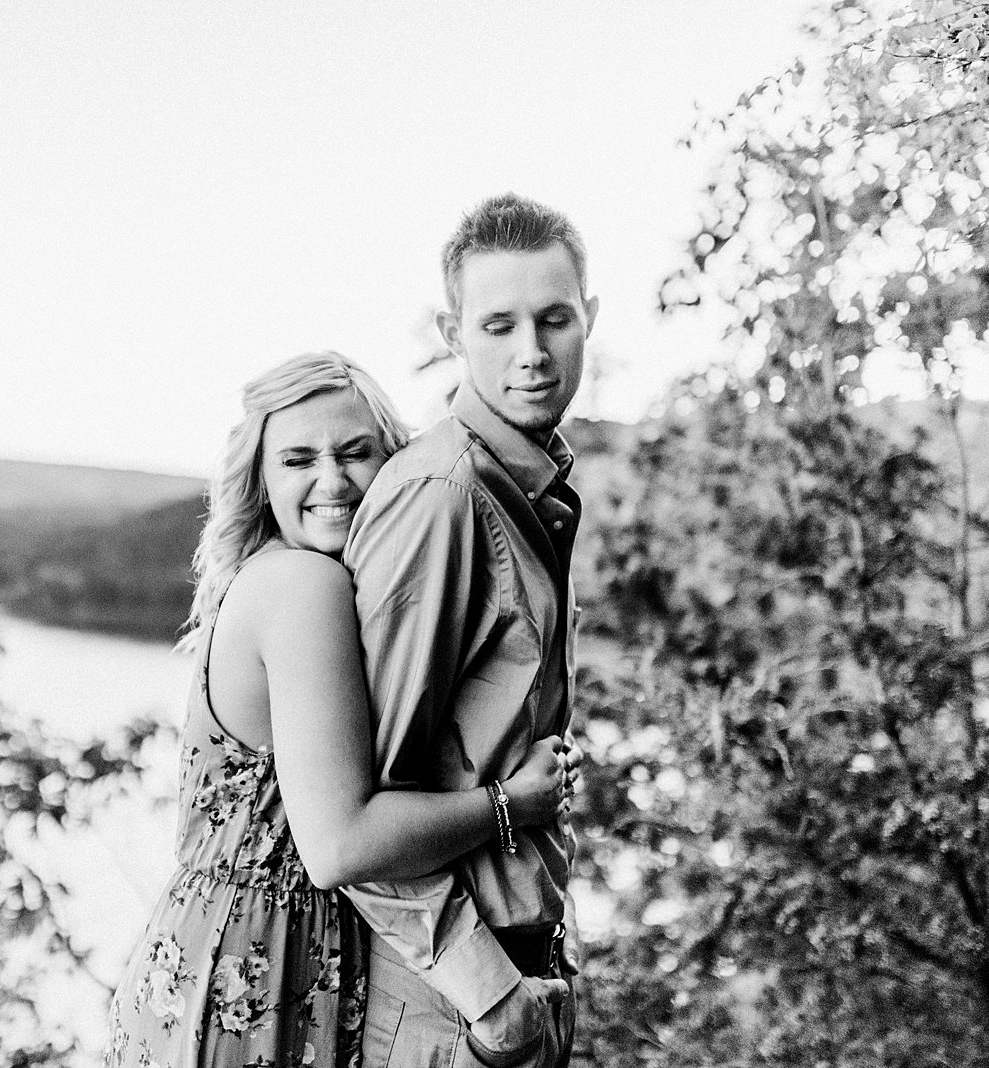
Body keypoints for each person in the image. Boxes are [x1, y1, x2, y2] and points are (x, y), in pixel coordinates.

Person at [104, 351, 579, 1068]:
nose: (331, 480)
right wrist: (512, 803)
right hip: (252, 973)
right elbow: (342, 846)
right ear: (261, 482)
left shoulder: (277, 577)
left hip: (220, 958)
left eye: (355, 453)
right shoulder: (303, 587)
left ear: (389, 462)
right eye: (298, 459)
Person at [341, 193, 599, 1068]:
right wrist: (494, 998)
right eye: (499, 325)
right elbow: (357, 817)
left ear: (587, 320)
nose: (532, 353)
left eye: (554, 319)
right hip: (453, 1010)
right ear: (452, 332)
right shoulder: (444, 498)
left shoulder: (528, 489)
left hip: (514, 984)